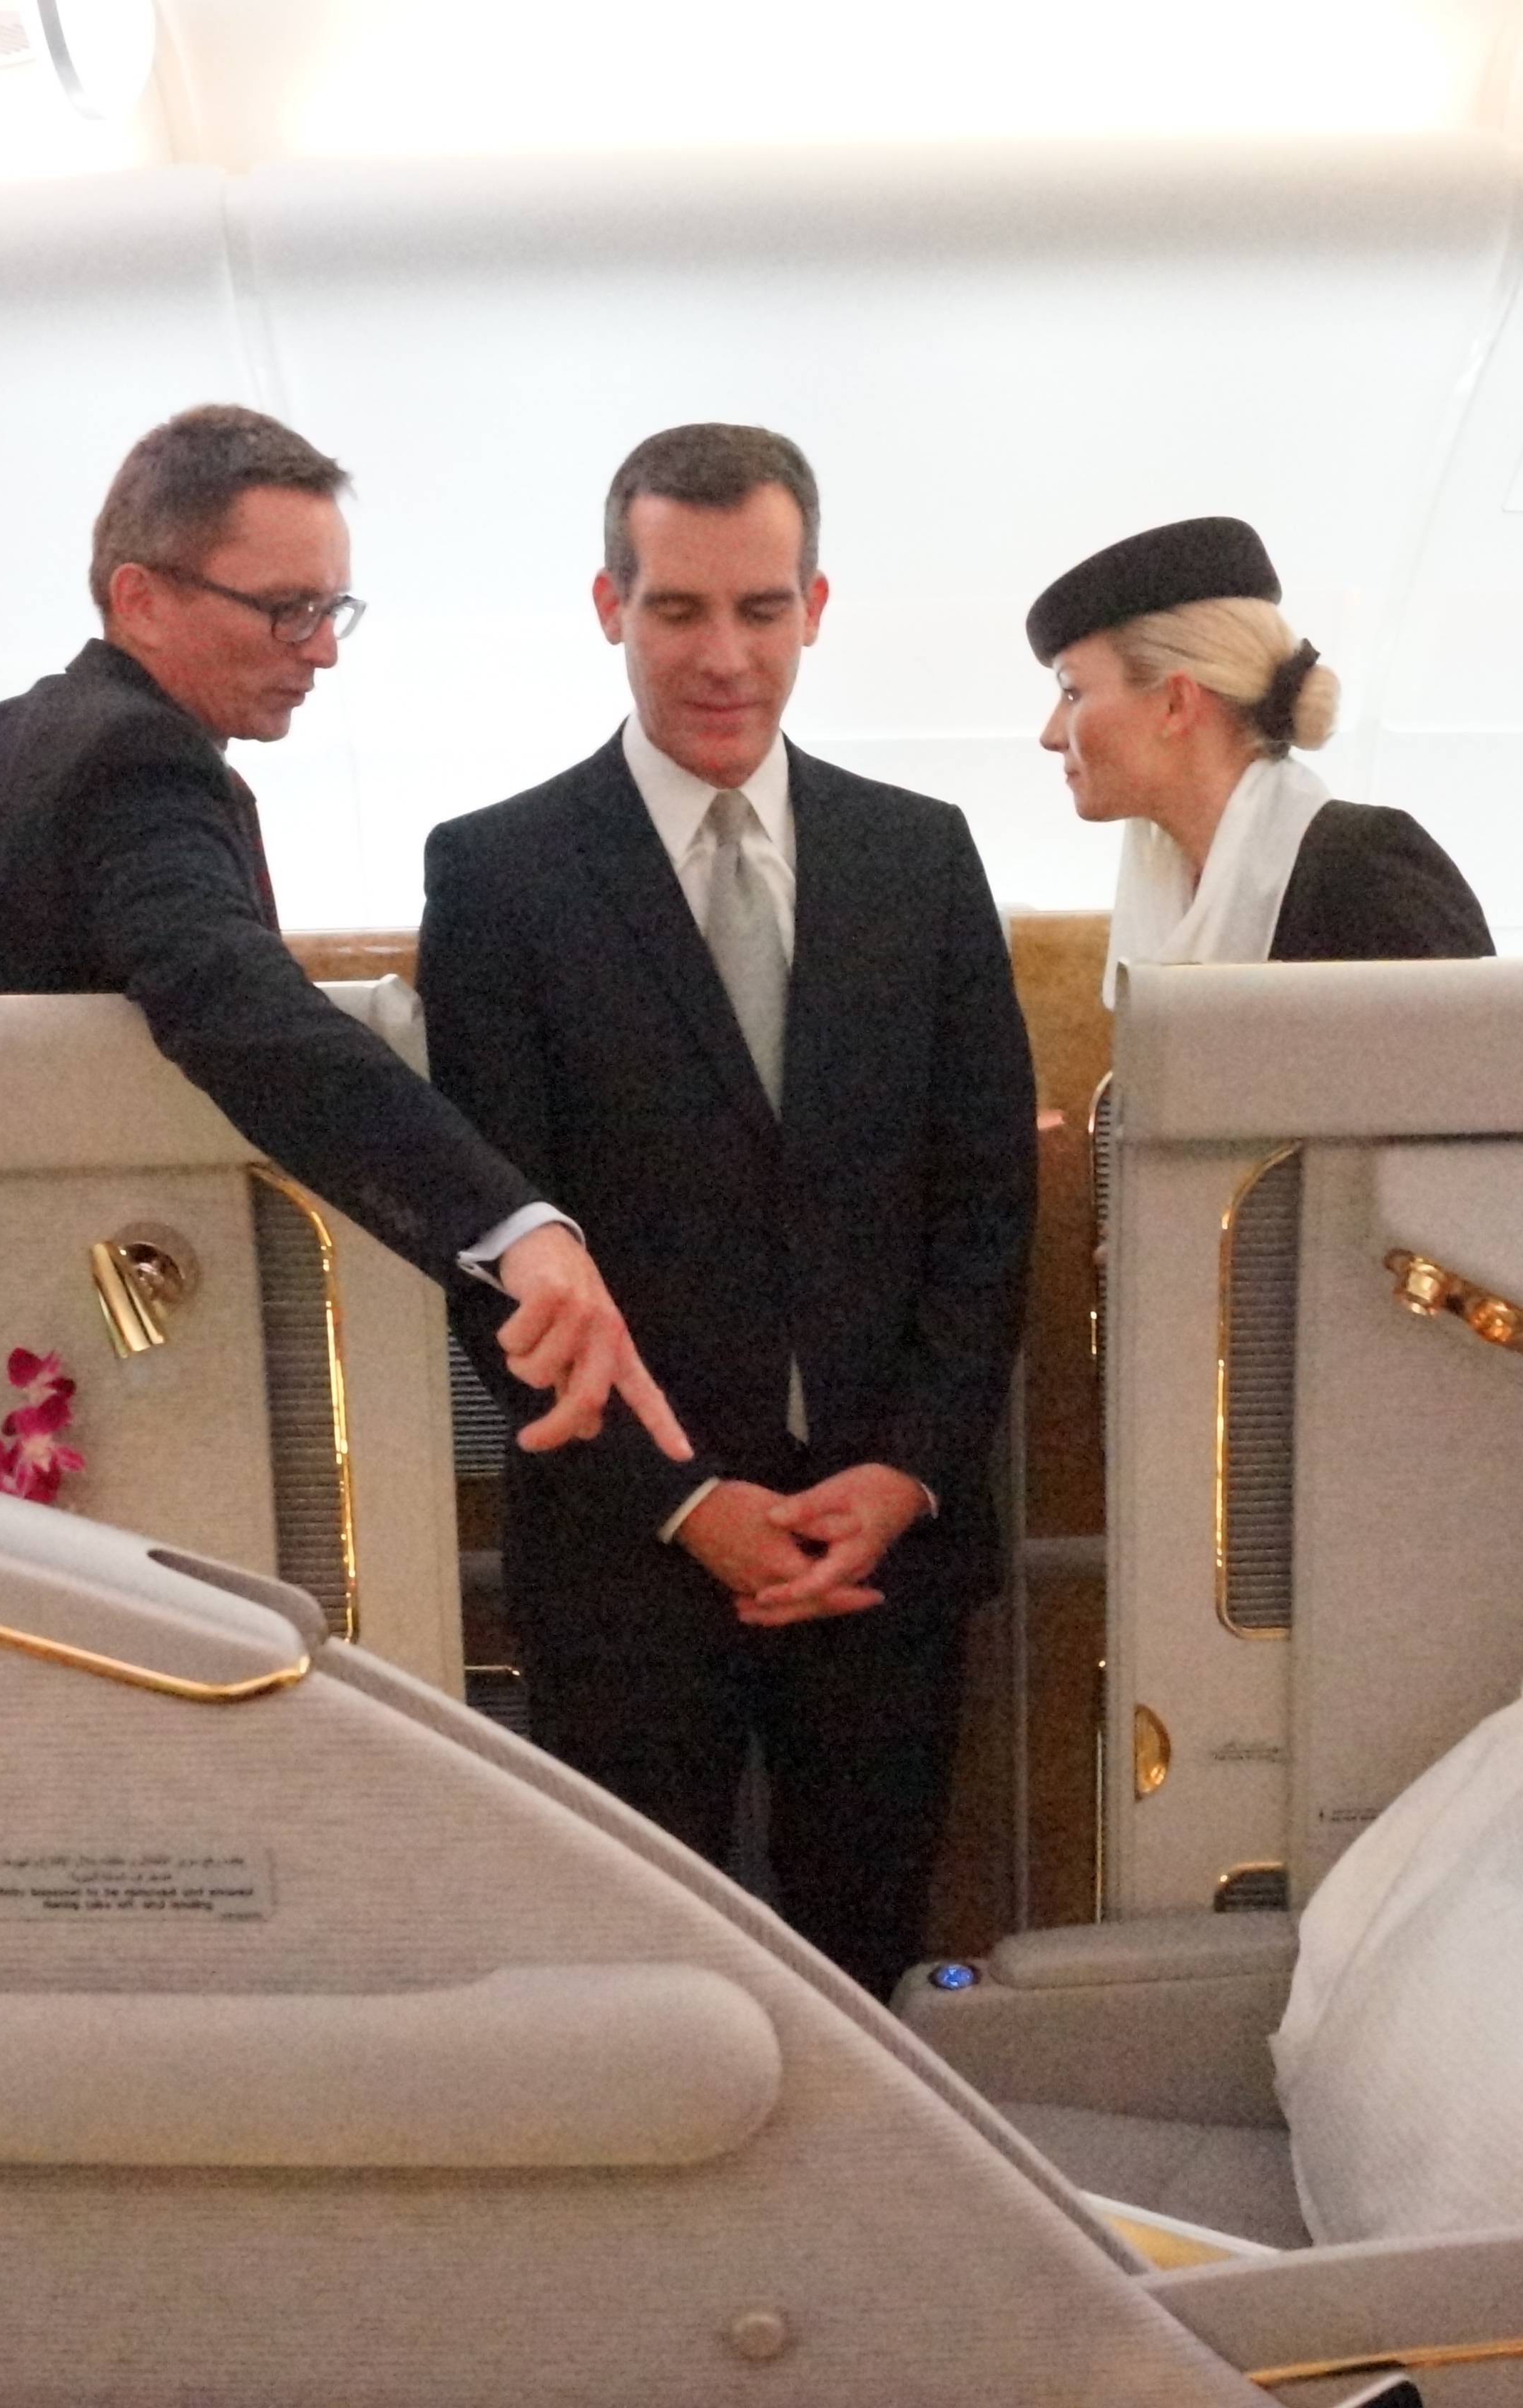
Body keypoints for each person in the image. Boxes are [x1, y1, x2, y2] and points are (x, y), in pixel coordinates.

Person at [419, 424, 1037, 1996]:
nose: (723, 655)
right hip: (632, 1552)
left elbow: (983, 1203)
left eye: (760, 609)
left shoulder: (922, 856)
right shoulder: (500, 875)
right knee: (647, 1985)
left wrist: (906, 1467)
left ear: (816, 605)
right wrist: (688, 1501)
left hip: (882, 1542)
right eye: (678, 610)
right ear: (608, 606)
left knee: (870, 1967)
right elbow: (488, 1251)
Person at [0, 404, 681, 1457]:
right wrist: (510, 1227)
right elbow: (233, 1003)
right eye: (287, 609)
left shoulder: (2, 738)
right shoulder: (139, 761)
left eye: (332, 608)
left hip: (1, 1315)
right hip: (133, 1321)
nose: (321, 649)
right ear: (138, 598)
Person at [1029, 515, 1491, 994]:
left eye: (1072, 692)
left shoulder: (1368, 873)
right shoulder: (1170, 883)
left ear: (1176, 704)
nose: (1050, 734)